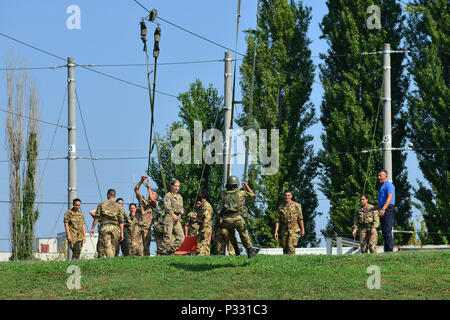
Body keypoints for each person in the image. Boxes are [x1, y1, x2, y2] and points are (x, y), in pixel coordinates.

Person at [217, 176, 259, 258]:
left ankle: (236, 249)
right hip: (238, 219)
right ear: (236, 184)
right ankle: (250, 250)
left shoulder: (222, 193)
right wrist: (246, 185)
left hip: (226, 220)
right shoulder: (241, 193)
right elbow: (253, 195)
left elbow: (220, 199)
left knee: (231, 235)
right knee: (243, 235)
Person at [364, 170, 396, 252]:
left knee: (387, 231)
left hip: (388, 210)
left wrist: (383, 209)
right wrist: (369, 209)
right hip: (383, 209)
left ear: (386, 176)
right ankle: (387, 250)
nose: (378, 177)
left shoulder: (389, 185)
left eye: (380, 175)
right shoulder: (381, 187)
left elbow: (390, 198)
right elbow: (380, 204)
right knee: (384, 232)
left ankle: (390, 250)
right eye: (378, 175)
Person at [90, 189, 125, 258]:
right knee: (112, 246)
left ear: (108, 195)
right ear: (114, 196)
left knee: (107, 245)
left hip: (105, 227)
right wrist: (122, 233)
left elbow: (96, 217)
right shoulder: (119, 206)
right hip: (115, 228)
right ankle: (111, 261)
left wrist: (92, 228)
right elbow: (121, 221)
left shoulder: (102, 204)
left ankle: (110, 261)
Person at [274, 190, 305, 255]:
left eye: (288, 195)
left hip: (294, 229)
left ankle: (293, 262)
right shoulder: (281, 208)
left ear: (291, 196)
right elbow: (277, 220)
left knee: (290, 246)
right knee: (285, 249)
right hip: (284, 230)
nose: (287, 197)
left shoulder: (297, 206)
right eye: (285, 195)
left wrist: (303, 229)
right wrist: (276, 232)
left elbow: (300, 218)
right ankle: (286, 263)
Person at [133, 175, 158, 256]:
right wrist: (141, 181)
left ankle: (146, 262)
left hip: (146, 227)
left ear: (156, 197)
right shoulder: (142, 199)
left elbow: (152, 199)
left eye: (153, 193)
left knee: (146, 247)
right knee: (134, 245)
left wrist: (149, 188)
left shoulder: (155, 204)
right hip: (137, 224)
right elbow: (136, 189)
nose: (151, 194)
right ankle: (135, 260)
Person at [161, 179, 185, 255]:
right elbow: (167, 206)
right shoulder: (168, 195)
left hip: (177, 219)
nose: (177, 188)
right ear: (171, 186)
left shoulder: (180, 197)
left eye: (178, 186)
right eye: (175, 186)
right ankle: (164, 253)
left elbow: (181, 207)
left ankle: (171, 250)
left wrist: (181, 211)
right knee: (167, 237)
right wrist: (172, 214)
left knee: (181, 237)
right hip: (169, 217)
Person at [196, 190, 213, 256]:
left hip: (205, 228)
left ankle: (199, 260)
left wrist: (203, 231)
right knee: (205, 246)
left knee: (201, 245)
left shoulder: (206, 206)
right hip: (202, 227)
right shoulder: (202, 205)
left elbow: (206, 219)